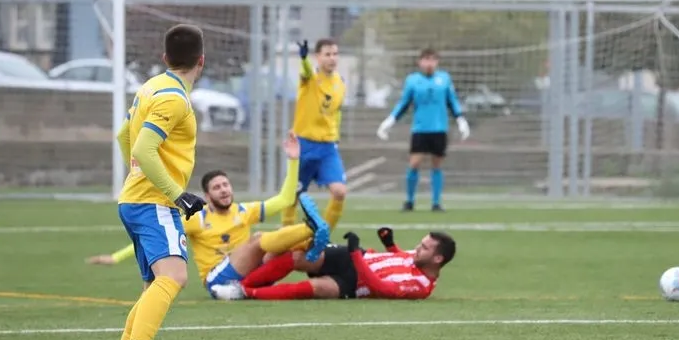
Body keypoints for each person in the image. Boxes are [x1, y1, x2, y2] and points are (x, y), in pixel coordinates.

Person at [87, 132, 325, 296]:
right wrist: (116, 258)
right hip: (218, 279)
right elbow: (155, 236)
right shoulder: (197, 219)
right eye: (217, 187)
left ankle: (325, 254)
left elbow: (284, 199)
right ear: (207, 195)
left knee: (293, 254)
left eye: (226, 185)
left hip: (247, 277)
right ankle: (310, 228)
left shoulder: (244, 211)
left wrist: (293, 160)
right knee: (260, 239)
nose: (224, 190)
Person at [106, 23, 208, 340]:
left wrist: (134, 179)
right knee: (174, 277)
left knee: (154, 285)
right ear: (202, 60)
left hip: (137, 199)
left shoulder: (151, 87)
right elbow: (142, 149)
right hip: (155, 203)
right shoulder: (173, 98)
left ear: (165, 58)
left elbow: (123, 135)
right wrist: (176, 194)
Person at [214, 227, 456, 301]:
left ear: (437, 259)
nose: (418, 247)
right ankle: (242, 283)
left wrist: (355, 255)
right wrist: (390, 245)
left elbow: (381, 287)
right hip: (354, 256)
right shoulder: (416, 257)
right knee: (298, 257)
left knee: (315, 289)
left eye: (424, 247)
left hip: (355, 280)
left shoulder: (420, 287)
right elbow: (400, 259)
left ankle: (246, 292)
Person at [376, 48, 470, 212]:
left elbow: (452, 101)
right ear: (420, 62)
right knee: (414, 163)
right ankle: (409, 201)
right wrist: (389, 121)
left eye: (432, 60)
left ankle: (436, 202)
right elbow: (404, 104)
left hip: (439, 129)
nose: (429, 64)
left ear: (437, 62)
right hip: (420, 129)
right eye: (426, 60)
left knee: (437, 165)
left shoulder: (444, 79)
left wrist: (461, 119)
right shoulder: (413, 80)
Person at [286, 38, 347, 248]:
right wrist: (303, 58)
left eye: (335, 54)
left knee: (339, 191)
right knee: (293, 195)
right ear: (318, 57)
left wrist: (335, 135)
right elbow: (306, 71)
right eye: (327, 54)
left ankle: (323, 238)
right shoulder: (310, 77)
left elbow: (335, 113)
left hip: (328, 147)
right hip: (304, 144)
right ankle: (286, 236)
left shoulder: (340, 82)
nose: (332, 58)